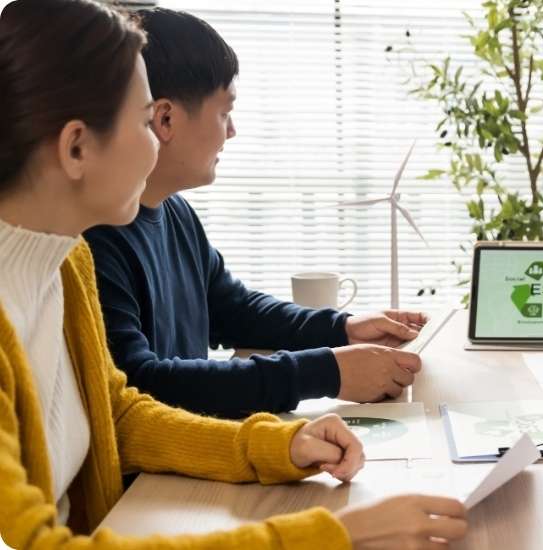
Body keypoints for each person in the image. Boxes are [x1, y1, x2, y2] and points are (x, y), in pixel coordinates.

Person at [0, 1, 467, 548]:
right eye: (142, 120)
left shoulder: (64, 266)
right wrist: (330, 535)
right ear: (77, 146)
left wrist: (275, 447)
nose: (154, 139)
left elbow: (119, 415)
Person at [83, 7, 425, 419]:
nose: (231, 131)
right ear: (165, 118)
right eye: (224, 112)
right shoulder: (95, 238)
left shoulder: (175, 213)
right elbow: (142, 382)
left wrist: (342, 328)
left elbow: (233, 310)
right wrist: (324, 373)